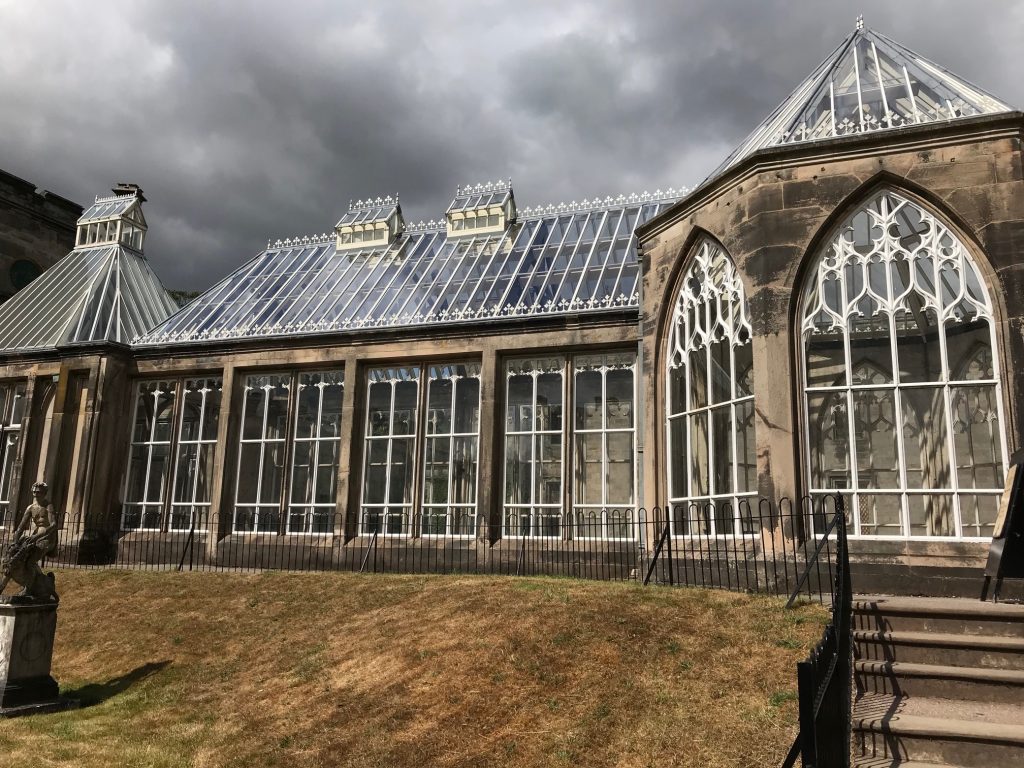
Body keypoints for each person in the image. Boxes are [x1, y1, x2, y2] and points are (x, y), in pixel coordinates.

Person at [0, 482, 58, 601]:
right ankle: (38, 581)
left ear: (44, 493)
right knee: (19, 558)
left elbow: (53, 525)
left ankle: (28, 589)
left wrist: (37, 536)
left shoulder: (48, 506)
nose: (36, 494)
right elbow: (21, 527)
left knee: (30, 562)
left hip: (47, 537)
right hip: (35, 535)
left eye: (39, 492)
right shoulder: (30, 508)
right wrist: (15, 542)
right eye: (34, 491)